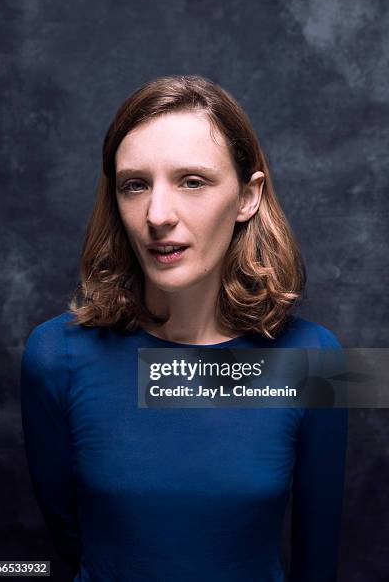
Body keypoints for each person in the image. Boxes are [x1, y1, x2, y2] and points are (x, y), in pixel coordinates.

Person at [21, 75, 348, 581]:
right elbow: (73, 543)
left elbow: (318, 558)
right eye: (135, 184)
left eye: (192, 181)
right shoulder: (54, 355)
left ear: (247, 197)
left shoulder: (316, 357)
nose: (157, 215)